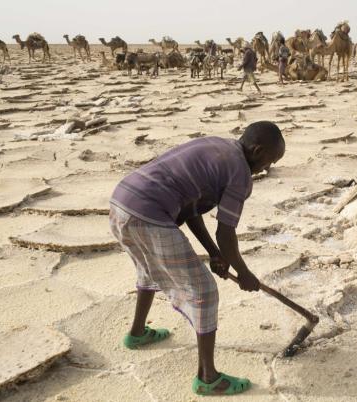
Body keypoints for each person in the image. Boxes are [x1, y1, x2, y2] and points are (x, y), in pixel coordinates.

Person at [109, 121, 285, 396]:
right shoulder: (240, 173)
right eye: (269, 161)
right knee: (204, 291)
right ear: (257, 150)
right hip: (149, 213)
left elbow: (191, 208)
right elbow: (226, 232)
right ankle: (208, 378)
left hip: (122, 202)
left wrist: (215, 253)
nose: (267, 169)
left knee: (147, 269)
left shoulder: (217, 146)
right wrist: (245, 273)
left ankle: (138, 333)